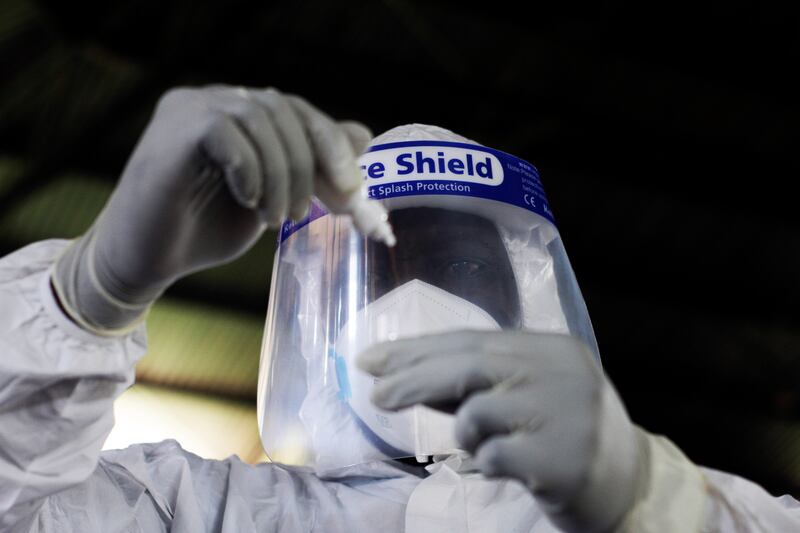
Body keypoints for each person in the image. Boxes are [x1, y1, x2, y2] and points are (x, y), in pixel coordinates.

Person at [0, 85, 798, 533]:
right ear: (312, 321)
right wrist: (88, 294)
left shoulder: (657, 507)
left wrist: (653, 503)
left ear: (528, 298)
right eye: (375, 270)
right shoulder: (199, 514)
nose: (416, 299)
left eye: (458, 262)